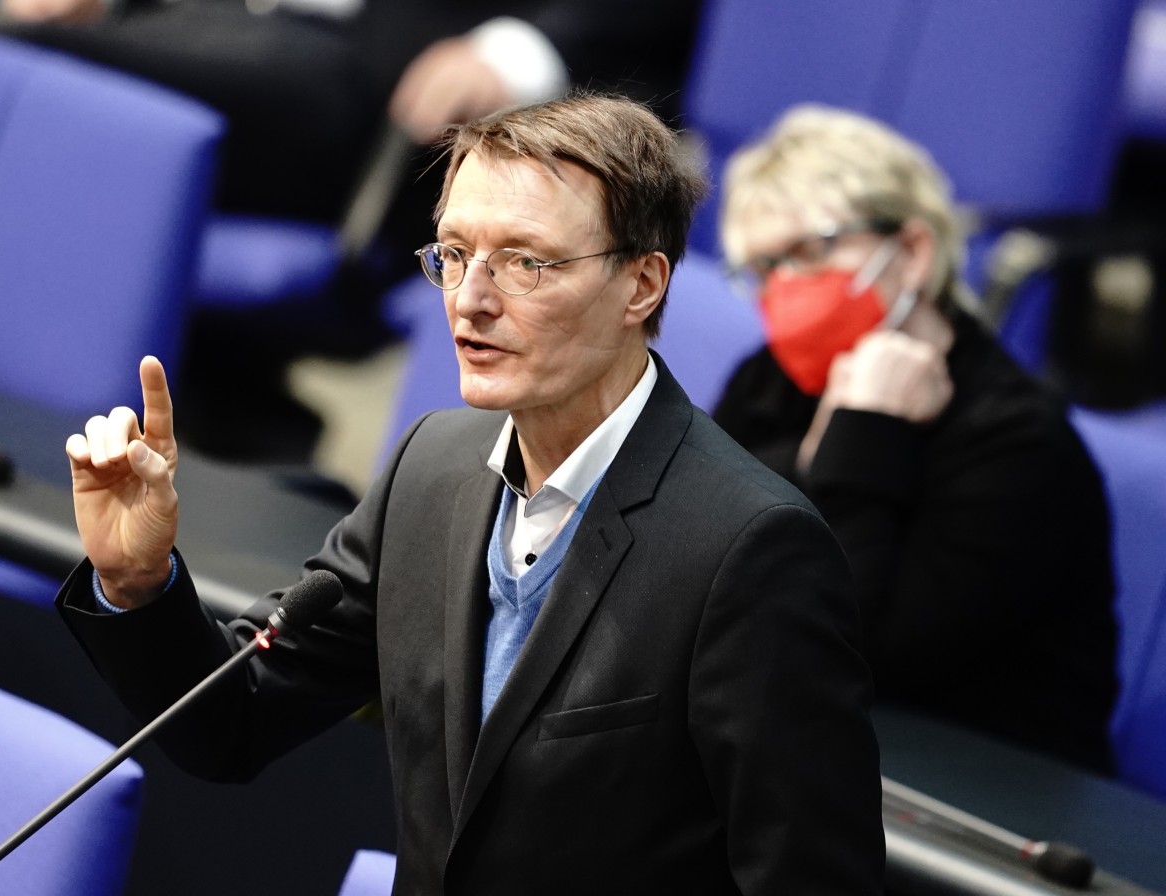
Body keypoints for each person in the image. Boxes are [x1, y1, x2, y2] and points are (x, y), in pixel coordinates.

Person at [54, 93, 884, 893]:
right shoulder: (433, 471)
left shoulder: (750, 549)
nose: (470, 301)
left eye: (525, 262)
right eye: (453, 255)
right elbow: (229, 725)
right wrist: (137, 582)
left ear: (642, 285)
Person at [711, 104, 1120, 774]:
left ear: (911, 252)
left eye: (810, 253)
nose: (783, 289)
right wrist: (814, 454)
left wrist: (863, 437)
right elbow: (690, 539)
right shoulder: (769, 381)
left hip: (984, 787)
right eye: (763, 269)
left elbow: (854, 649)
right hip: (804, 743)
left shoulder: (1018, 439)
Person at [0, 0, 700, 256]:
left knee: (17, 65)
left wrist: (513, 54)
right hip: (232, 26)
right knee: (11, 62)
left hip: (380, 90)